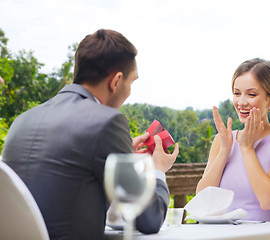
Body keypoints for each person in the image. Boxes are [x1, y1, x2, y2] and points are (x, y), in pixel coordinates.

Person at [2, 29, 179, 239]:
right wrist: (157, 171)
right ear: (116, 81)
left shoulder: (22, 121)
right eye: (131, 82)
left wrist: (119, 156)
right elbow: (149, 219)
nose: (130, 91)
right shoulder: (107, 122)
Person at [196, 58, 270, 222]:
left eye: (251, 94)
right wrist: (225, 150)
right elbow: (202, 200)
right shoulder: (223, 140)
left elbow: (268, 200)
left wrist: (247, 148)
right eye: (237, 93)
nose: (242, 102)